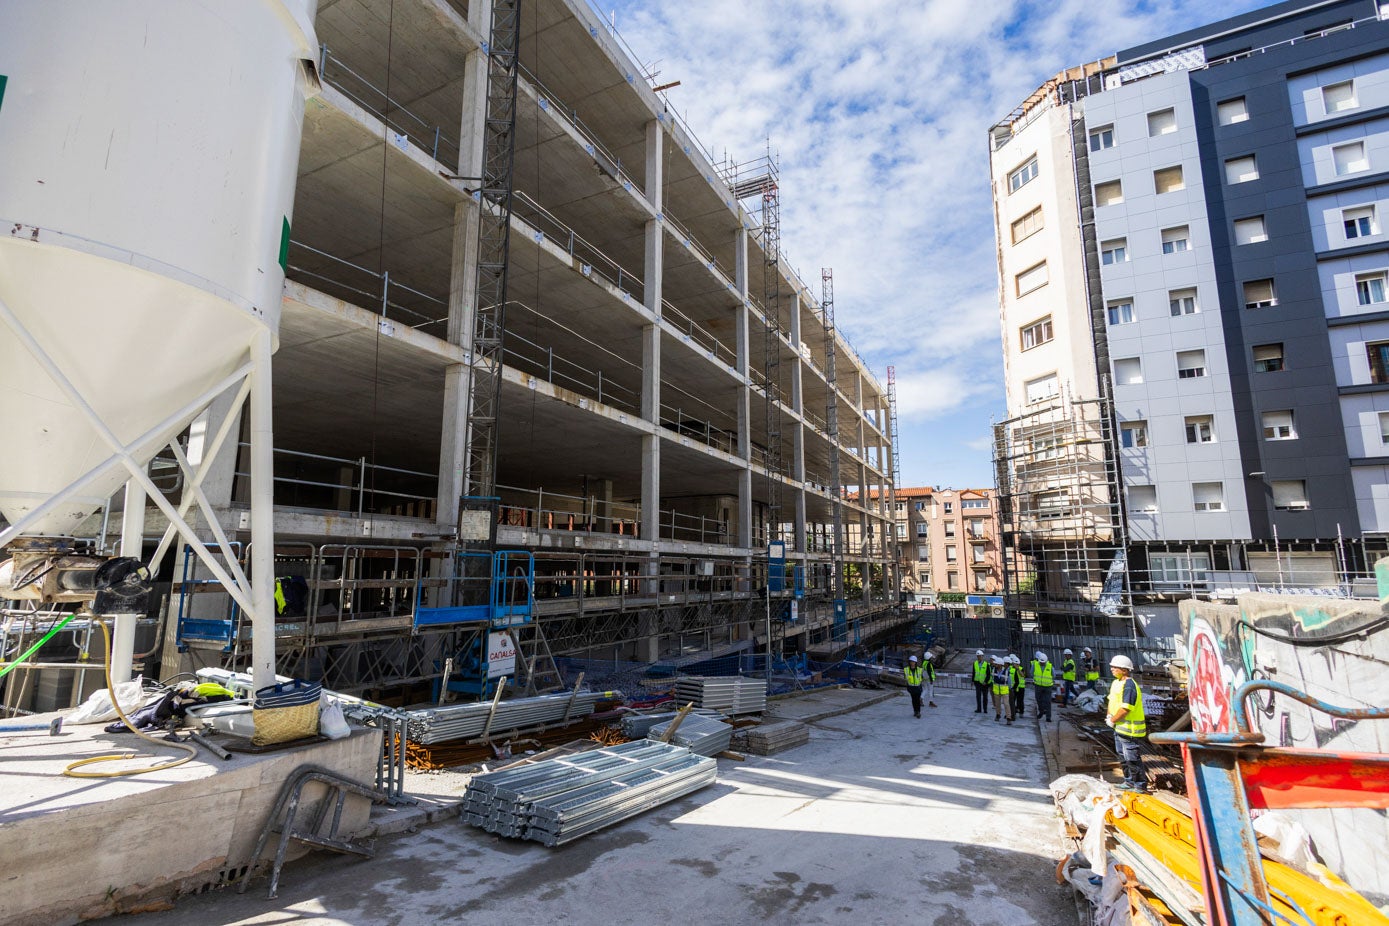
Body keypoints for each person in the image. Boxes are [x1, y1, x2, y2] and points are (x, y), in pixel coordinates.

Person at [1106, 654, 1149, 792]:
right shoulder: (1116, 683)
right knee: (1123, 757)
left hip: (1130, 729)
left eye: (1115, 667)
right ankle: (1129, 781)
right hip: (1119, 728)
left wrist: (1112, 720)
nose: (1112, 669)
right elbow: (1111, 701)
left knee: (1132, 759)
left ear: (1124, 670)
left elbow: (1126, 708)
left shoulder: (1129, 685)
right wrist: (1108, 716)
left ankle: (1140, 785)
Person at [1030, 651, 1054, 722]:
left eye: (1043, 662)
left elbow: (1054, 675)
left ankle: (1048, 717)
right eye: (1041, 662)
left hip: (1048, 686)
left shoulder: (1050, 666)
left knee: (1048, 702)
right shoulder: (1035, 665)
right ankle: (1041, 711)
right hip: (1038, 685)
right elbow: (1031, 673)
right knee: (1038, 699)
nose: (1042, 663)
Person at [990, 656, 1012, 723]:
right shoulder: (993, 670)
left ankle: (1008, 718)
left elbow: (1009, 682)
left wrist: (1010, 688)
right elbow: (992, 679)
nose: (995, 665)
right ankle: (998, 714)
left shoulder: (1006, 672)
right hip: (996, 690)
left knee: (1006, 704)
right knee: (997, 704)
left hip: (1004, 691)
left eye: (996, 664)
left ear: (1000, 664)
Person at [1009, 655, 1025, 719]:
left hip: (1021, 687)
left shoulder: (1021, 669)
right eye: (1015, 664)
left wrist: (1018, 669)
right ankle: (1012, 713)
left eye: (1017, 664)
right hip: (1013, 687)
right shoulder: (1010, 668)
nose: (1016, 665)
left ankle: (1021, 712)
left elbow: (1022, 675)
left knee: (1020, 701)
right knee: (1012, 701)